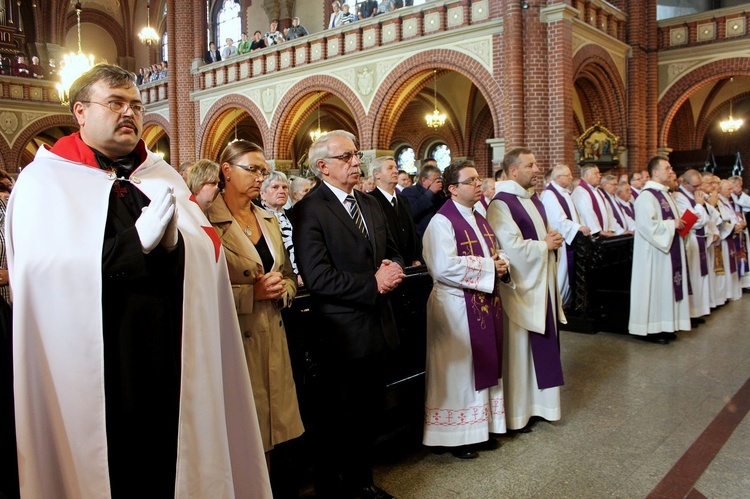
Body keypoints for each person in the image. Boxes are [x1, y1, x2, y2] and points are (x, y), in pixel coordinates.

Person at [6, 64, 271, 498]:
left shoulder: (160, 175)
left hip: (170, 355)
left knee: (170, 463)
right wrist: (133, 244)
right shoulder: (45, 181)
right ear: (80, 112)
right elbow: (41, 273)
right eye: (114, 103)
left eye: (136, 105)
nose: (129, 113)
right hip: (101, 364)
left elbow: (209, 253)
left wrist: (176, 247)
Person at [292, 130, 404, 499]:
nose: (356, 162)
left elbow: (393, 250)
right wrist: (373, 284)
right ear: (322, 166)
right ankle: (334, 488)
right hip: (340, 333)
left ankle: (362, 481)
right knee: (337, 419)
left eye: (356, 155)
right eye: (346, 157)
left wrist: (394, 268)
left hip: (379, 326)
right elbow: (318, 276)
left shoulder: (370, 204)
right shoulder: (310, 209)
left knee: (369, 414)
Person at [206, 141, 303, 488]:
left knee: (274, 430)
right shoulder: (207, 218)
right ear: (226, 170)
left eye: (263, 171)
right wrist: (252, 293)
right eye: (252, 169)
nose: (260, 177)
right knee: (242, 430)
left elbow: (289, 273)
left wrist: (283, 291)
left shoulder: (267, 218)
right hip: (233, 337)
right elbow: (197, 289)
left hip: (272, 333)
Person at [422, 160, 509, 459]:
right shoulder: (441, 222)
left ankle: (479, 429)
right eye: (471, 181)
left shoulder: (478, 216)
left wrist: (501, 262)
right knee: (459, 373)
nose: (479, 185)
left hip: (480, 301)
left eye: (478, 180)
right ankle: (456, 437)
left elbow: (492, 252)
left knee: (480, 366)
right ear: (453, 189)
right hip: (455, 307)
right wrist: (489, 267)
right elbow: (443, 267)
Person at [487, 147, 565, 431]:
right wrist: (545, 246)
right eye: (529, 165)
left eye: (535, 164)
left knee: (540, 346)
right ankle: (520, 412)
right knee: (520, 351)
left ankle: (541, 405)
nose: (536, 169)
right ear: (512, 171)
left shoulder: (532, 199)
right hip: (520, 290)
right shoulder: (501, 204)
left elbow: (540, 238)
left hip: (539, 283)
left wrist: (551, 239)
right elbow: (510, 248)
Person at [628, 156, 691, 343]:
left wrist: (679, 224)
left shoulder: (665, 194)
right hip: (653, 254)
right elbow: (648, 226)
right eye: (667, 168)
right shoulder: (646, 196)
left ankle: (666, 325)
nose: (671, 171)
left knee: (665, 289)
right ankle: (652, 329)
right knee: (655, 289)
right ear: (655, 172)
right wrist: (673, 224)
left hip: (668, 250)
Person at [539, 164, 590, 308]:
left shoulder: (564, 193)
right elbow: (557, 221)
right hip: (560, 243)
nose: (571, 178)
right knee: (561, 275)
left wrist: (580, 226)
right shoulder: (550, 194)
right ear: (558, 177)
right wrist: (577, 227)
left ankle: (565, 305)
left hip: (570, 240)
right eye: (568, 175)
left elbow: (575, 215)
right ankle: (557, 306)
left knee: (568, 276)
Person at [673, 170, 711, 322]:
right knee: (691, 277)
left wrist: (700, 209)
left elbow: (705, 219)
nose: (699, 189)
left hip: (699, 239)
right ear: (685, 184)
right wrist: (700, 206)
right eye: (695, 186)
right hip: (690, 239)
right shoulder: (678, 197)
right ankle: (690, 313)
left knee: (699, 277)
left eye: (700, 185)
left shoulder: (695, 195)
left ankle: (698, 311)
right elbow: (692, 222)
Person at [369, 156, 422, 266]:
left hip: (410, 265)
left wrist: (417, 257)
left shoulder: (403, 199)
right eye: (390, 168)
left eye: (396, 167)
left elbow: (412, 230)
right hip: (387, 266)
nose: (395, 171)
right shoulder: (370, 201)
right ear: (377, 174)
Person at [260, 170, 301, 283]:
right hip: (273, 279)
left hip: (299, 278)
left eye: (285, 187)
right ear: (262, 193)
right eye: (275, 187)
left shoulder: (294, 215)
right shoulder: (258, 217)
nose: (281, 191)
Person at [401, 161, 447, 238]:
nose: (438, 183)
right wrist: (430, 192)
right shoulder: (410, 191)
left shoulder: (440, 193)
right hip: (420, 236)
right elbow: (411, 212)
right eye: (435, 180)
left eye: (439, 180)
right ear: (424, 180)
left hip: (439, 234)